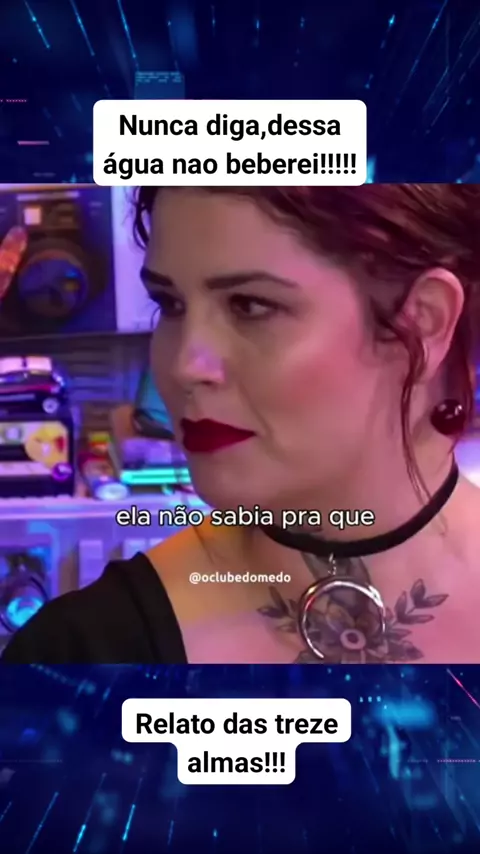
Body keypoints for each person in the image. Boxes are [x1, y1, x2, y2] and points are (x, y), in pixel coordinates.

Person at [2, 183, 480, 665]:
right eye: (170, 304)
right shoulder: (78, 652)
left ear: (423, 323)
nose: (185, 366)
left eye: (250, 305)